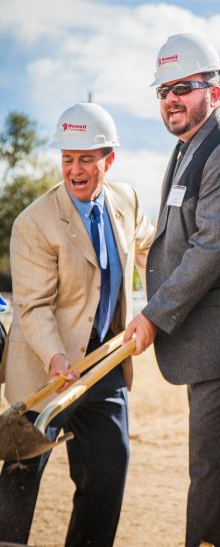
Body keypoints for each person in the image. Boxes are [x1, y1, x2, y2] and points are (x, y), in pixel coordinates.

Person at [123, 32, 220, 547]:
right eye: (162, 90)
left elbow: (212, 247)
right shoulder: (191, 145)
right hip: (201, 338)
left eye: (182, 86)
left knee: (217, 468)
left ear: (215, 87)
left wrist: (154, 314)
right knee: (212, 465)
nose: (170, 99)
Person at [0, 102, 154, 546]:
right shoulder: (34, 223)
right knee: (20, 477)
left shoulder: (126, 200)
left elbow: (153, 247)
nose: (76, 169)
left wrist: (158, 306)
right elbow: (33, 307)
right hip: (45, 370)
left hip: (105, 364)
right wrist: (55, 356)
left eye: (87, 158)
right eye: (68, 158)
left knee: (109, 470)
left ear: (109, 159)